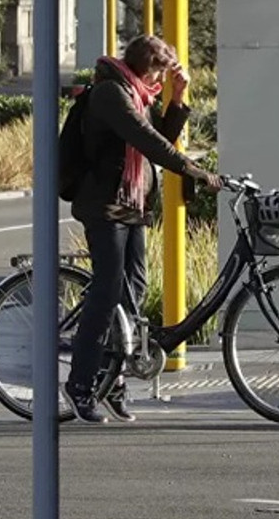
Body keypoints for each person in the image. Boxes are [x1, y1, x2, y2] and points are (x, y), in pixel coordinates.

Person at [65, 34, 222, 423]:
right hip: (104, 205)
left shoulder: (137, 94)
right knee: (107, 290)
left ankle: (111, 380)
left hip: (131, 204)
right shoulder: (111, 95)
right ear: (143, 66)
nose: (160, 80)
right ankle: (80, 385)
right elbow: (148, 142)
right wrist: (196, 172)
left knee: (133, 291)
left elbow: (160, 137)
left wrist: (179, 99)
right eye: (159, 73)